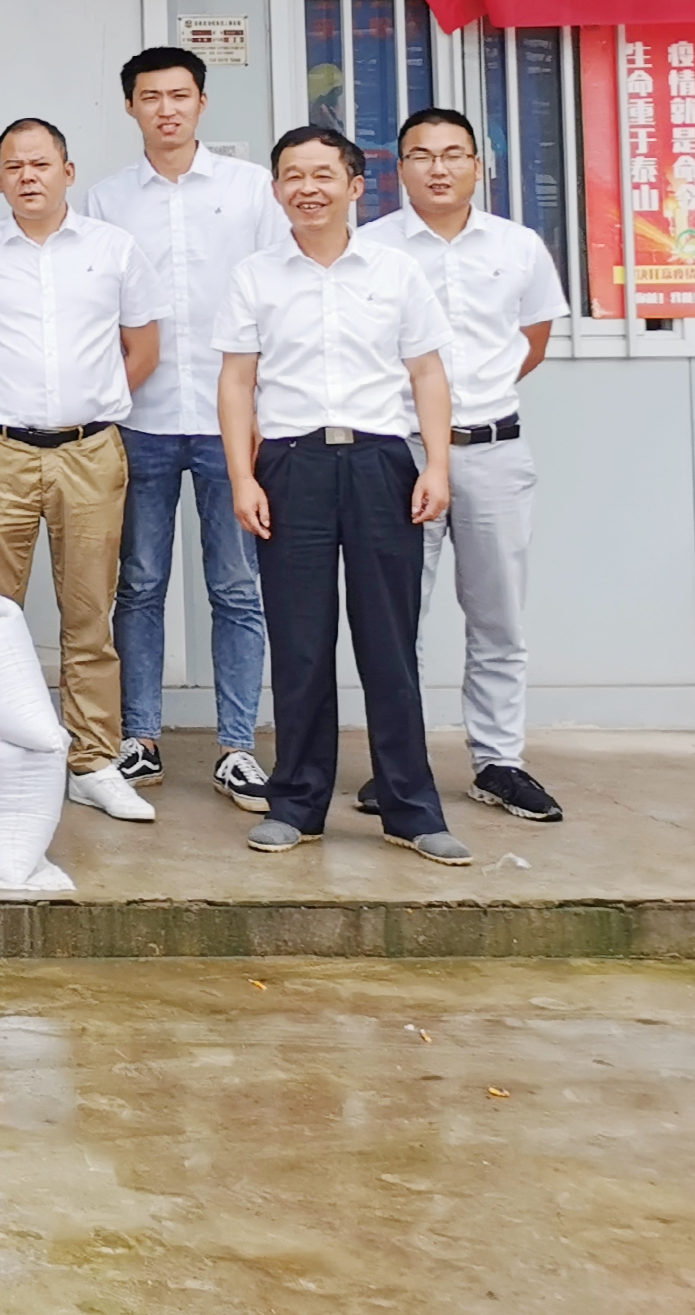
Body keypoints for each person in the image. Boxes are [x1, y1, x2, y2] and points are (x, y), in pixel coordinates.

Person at [218, 124, 470, 865]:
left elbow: (427, 372)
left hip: (380, 463)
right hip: (290, 465)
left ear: (355, 187)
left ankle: (410, 808)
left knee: (389, 641)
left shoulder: (395, 272)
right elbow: (236, 381)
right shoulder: (255, 276)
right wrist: (242, 477)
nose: (309, 188)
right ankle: (297, 804)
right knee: (300, 643)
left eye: (323, 175)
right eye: (293, 176)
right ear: (276, 190)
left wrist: (437, 466)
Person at [84, 46, 292, 814]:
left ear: (202, 102)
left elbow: (280, 298)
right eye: (150, 97)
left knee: (237, 586)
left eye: (179, 95)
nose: (166, 109)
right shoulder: (106, 199)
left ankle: (237, 746)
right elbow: (95, 309)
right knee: (138, 583)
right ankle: (139, 737)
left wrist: (267, 408)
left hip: (230, 423)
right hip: (140, 420)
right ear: (130, 107)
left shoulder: (251, 191)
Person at [0, 118, 162, 823]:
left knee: (89, 615)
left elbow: (143, 347)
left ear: (68, 171)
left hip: (90, 452)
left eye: (40, 164)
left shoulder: (113, 250)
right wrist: (12, 410)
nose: (28, 177)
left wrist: (88, 406)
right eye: (14, 167)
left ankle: (93, 761)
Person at [362, 107, 570, 824]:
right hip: (399, 454)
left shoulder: (518, 246)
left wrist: (472, 408)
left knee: (498, 615)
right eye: (421, 155)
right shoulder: (371, 248)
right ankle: (400, 764)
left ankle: (499, 761)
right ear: (400, 168)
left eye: (453, 154)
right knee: (396, 619)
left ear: (478, 166)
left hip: (493, 450)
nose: (438, 168)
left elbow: (531, 341)